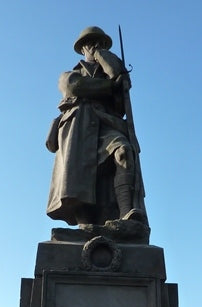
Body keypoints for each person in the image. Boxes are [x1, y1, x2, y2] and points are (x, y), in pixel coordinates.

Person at [46, 26, 147, 227]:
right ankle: (85, 223)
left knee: (123, 150)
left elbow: (119, 103)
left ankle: (126, 212)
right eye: (90, 43)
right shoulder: (69, 73)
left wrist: (104, 58)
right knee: (78, 180)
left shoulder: (110, 70)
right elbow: (75, 87)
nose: (94, 46)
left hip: (107, 123)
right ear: (82, 48)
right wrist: (111, 86)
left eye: (99, 43)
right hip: (79, 127)